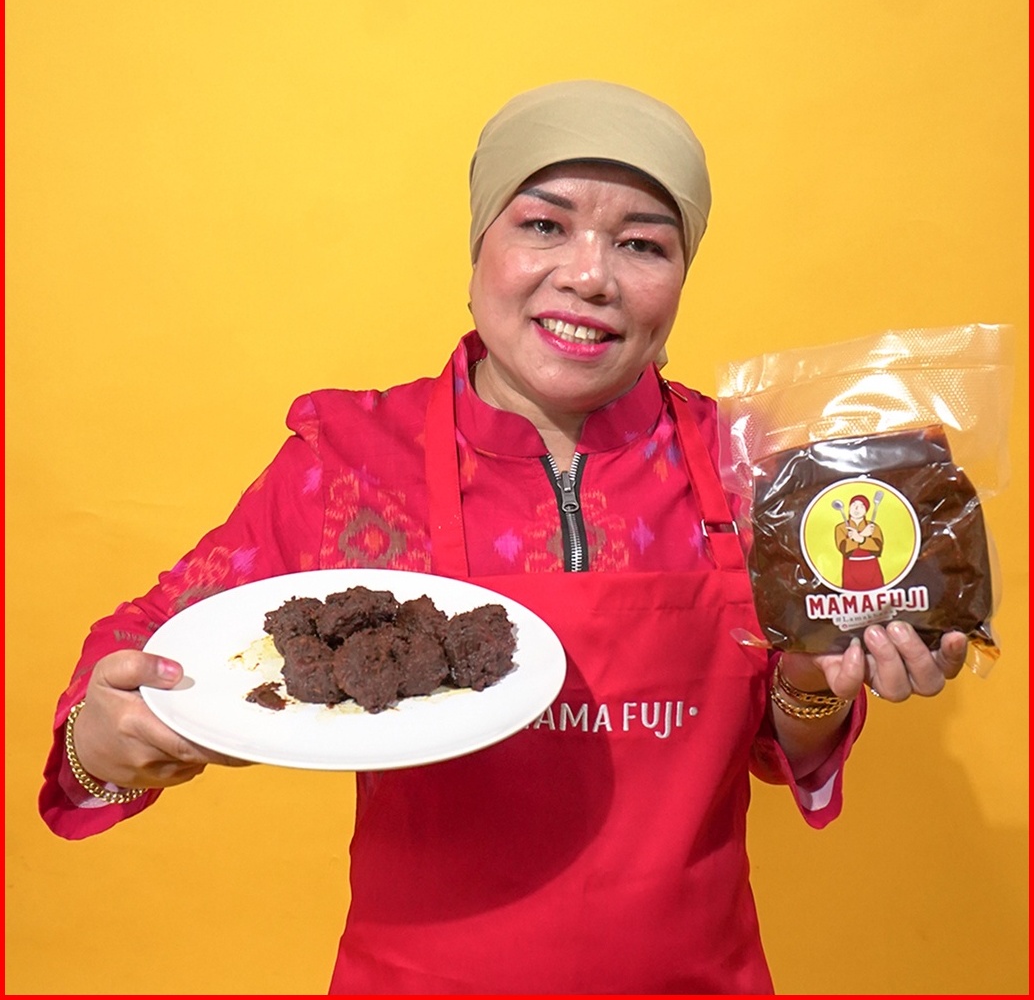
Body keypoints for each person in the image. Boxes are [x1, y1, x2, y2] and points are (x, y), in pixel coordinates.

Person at [39, 80, 968, 994]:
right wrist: (105, 737)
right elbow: (141, 650)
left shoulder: (753, 471)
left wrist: (813, 685)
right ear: (480, 242)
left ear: (682, 278)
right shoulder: (349, 461)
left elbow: (779, 747)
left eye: (642, 243)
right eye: (544, 225)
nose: (590, 275)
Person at [836, 493, 886, 590]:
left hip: (872, 568)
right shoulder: (841, 528)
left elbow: (877, 548)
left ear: (866, 511)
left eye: (861, 506)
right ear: (849, 508)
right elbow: (845, 549)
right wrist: (863, 535)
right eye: (854, 505)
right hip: (850, 569)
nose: (857, 509)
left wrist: (859, 538)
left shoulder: (873, 527)